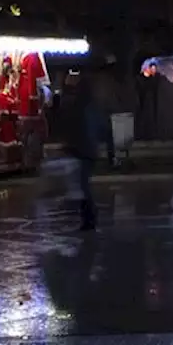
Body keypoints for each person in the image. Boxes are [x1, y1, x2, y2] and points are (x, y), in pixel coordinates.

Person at [63, 72, 105, 231]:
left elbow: (82, 129)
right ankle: (88, 217)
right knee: (82, 184)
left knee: (82, 185)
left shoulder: (81, 107)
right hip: (87, 150)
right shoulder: (90, 106)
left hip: (84, 150)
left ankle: (89, 217)